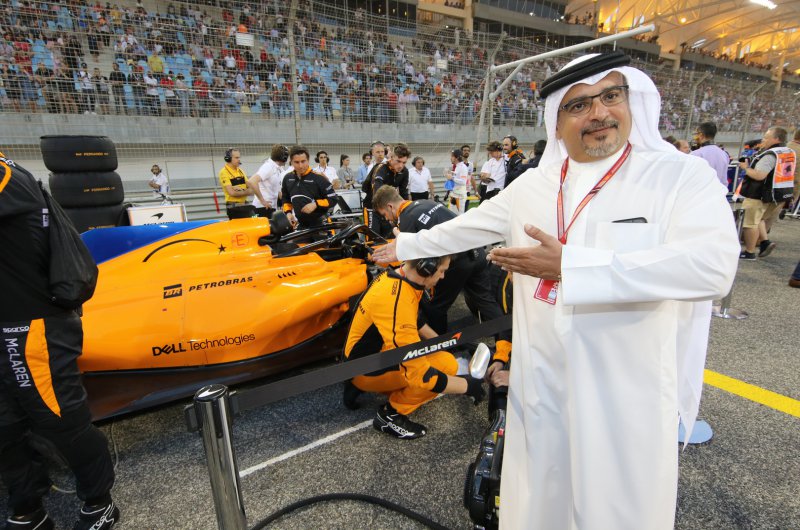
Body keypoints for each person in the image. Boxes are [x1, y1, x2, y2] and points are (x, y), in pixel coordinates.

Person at [372, 52, 740, 529]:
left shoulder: (677, 177)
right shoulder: (534, 186)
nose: (600, 113)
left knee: (616, 510)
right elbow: (464, 228)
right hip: (542, 388)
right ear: (558, 122)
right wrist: (404, 246)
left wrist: (571, 266)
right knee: (540, 501)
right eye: (580, 105)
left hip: (624, 395)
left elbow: (712, 268)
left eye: (611, 96)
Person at [0, 153, 119, 530]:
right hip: (12, 323)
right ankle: (27, 508)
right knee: (5, 428)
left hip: (31, 326)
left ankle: (99, 501)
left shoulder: (6, 176)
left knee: (60, 419)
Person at [342, 255, 485, 439]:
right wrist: (467, 386)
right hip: (364, 371)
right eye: (442, 271)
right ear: (426, 268)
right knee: (446, 365)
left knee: (441, 355)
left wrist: (449, 344)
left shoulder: (396, 277)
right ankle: (390, 415)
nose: (442, 276)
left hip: (360, 361)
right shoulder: (397, 300)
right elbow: (419, 374)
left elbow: (415, 322)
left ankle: (360, 386)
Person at [373, 185, 505, 337]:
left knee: (435, 308)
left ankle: (439, 345)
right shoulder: (427, 202)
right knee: (486, 300)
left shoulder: (406, 218)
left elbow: (413, 261)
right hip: (477, 252)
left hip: (456, 262)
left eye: (384, 214)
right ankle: (506, 342)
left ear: (390, 206)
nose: (386, 219)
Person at [737, 126, 793, 259]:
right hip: (779, 193)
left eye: (766, 137)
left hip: (760, 194)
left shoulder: (770, 155)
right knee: (760, 219)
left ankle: (749, 252)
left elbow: (759, 175)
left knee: (750, 223)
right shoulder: (787, 151)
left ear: (776, 139)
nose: (763, 140)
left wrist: (745, 168)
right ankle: (765, 242)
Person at [281, 145, 337, 230]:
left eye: (303, 161)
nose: (300, 166)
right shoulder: (287, 178)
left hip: (321, 225)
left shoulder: (319, 178)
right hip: (301, 225)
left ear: (308, 160)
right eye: (296, 162)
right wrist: (288, 213)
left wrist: (315, 204)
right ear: (291, 162)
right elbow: (286, 199)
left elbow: (333, 198)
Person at [370, 143, 411, 237]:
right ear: (391, 157)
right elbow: (377, 192)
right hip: (372, 206)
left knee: (391, 236)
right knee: (374, 238)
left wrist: (407, 210)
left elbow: (403, 193)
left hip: (388, 207)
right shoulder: (381, 168)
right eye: (398, 161)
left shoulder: (405, 171)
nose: (401, 165)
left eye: (404, 162)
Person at [248, 144, 288, 219]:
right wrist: (262, 201)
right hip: (262, 208)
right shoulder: (268, 167)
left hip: (270, 208)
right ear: (283, 157)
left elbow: (278, 190)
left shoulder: (278, 169)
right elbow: (252, 181)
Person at [218, 147, 255, 219]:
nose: (239, 160)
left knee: (254, 220)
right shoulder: (224, 172)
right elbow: (232, 193)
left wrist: (240, 190)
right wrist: (246, 191)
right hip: (233, 207)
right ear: (228, 158)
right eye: (236, 158)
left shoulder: (240, 171)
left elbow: (252, 190)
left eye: (239, 157)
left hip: (244, 204)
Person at [691, 122, 730, 188]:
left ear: (701, 135)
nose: (695, 137)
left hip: (700, 191)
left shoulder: (696, 154)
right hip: (718, 191)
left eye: (697, 134)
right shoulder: (724, 154)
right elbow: (724, 180)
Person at [446, 148, 470, 214]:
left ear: (456, 158)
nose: (450, 158)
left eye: (452, 156)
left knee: (458, 217)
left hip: (460, 196)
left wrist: (452, 177)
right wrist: (451, 173)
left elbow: (463, 182)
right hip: (455, 194)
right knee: (452, 215)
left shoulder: (463, 167)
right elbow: (457, 176)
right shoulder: (457, 166)